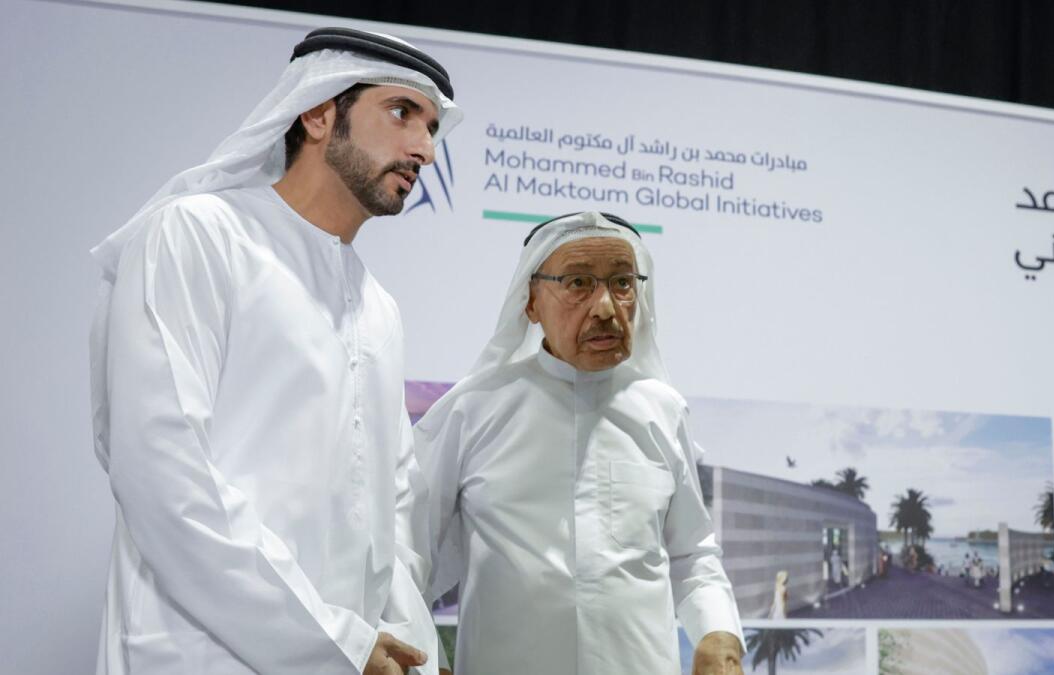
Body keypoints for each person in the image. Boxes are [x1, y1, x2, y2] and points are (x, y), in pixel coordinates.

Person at [89, 27, 462, 675]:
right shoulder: (196, 236)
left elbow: (393, 510)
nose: (424, 149)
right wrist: (335, 641)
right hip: (198, 654)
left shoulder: (379, 307)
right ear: (319, 113)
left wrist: (408, 647)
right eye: (402, 112)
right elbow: (166, 476)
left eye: (432, 127)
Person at [414, 212, 744, 674]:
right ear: (531, 302)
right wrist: (420, 658)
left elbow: (693, 554)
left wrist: (718, 635)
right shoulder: (473, 410)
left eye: (623, 284)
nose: (606, 308)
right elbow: (408, 551)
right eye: (578, 283)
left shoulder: (662, 412)